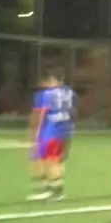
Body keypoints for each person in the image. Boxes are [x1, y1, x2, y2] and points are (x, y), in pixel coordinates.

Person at [27, 68, 76, 201]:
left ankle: (57, 191)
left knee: (50, 161)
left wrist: (34, 131)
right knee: (52, 160)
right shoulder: (69, 92)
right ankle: (49, 188)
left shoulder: (44, 95)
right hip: (66, 130)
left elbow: (38, 114)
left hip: (51, 131)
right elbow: (73, 111)